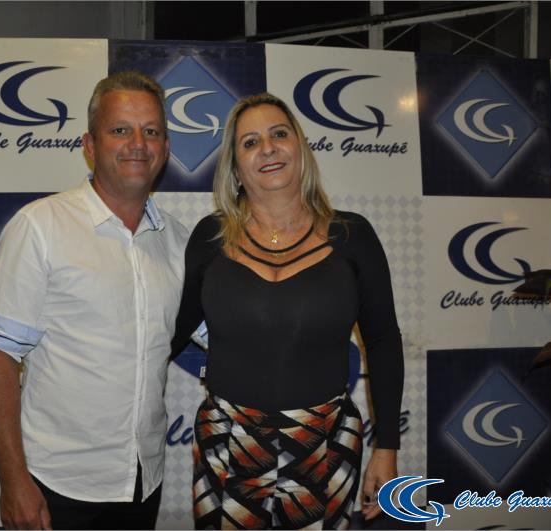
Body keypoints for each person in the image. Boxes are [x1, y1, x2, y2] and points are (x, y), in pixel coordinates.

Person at [171, 93, 404, 530]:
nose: (268, 148)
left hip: (327, 442)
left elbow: (382, 341)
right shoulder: (210, 237)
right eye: (250, 142)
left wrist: (387, 448)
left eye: (279, 134)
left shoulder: (353, 235)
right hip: (227, 441)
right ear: (235, 167)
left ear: (300, 147)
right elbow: (173, 331)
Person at [0, 70, 188, 530]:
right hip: (57, 485)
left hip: (143, 481)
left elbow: (231, 330)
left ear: (166, 149)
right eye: (120, 130)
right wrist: (13, 482)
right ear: (89, 145)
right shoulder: (40, 226)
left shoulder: (179, 242)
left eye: (151, 132)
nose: (138, 144)